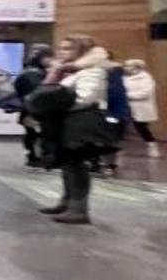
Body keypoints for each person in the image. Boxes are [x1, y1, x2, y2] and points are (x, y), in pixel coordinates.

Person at [28, 36, 114, 225]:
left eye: (68, 48)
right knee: (68, 164)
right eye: (60, 48)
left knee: (77, 164)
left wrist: (55, 105)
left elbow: (85, 98)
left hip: (83, 120)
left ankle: (79, 208)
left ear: (81, 50)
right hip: (69, 120)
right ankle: (67, 201)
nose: (62, 52)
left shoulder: (92, 69)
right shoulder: (68, 70)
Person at [15, 44, 54, 167]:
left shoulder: (27, 72)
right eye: (49, 57)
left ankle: (34, 157)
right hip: (35, 112)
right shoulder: (34, 74)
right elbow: (39, 94)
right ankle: (37, 158)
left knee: (33, 134)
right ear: (42, 57)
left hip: (28, 111)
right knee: (38, 135)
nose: (51, 60)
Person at [124, 59, 159, 157]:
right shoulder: (124, 78)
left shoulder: (146, 78)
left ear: (137, 68)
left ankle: (152, 146)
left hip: (140, 107)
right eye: (126, 65)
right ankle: (117, 148)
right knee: (119, 127)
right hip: (126, 106)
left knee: (141, 128)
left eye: (129, 66)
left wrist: (126, 95)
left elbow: (145, 93)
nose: (126, 68)